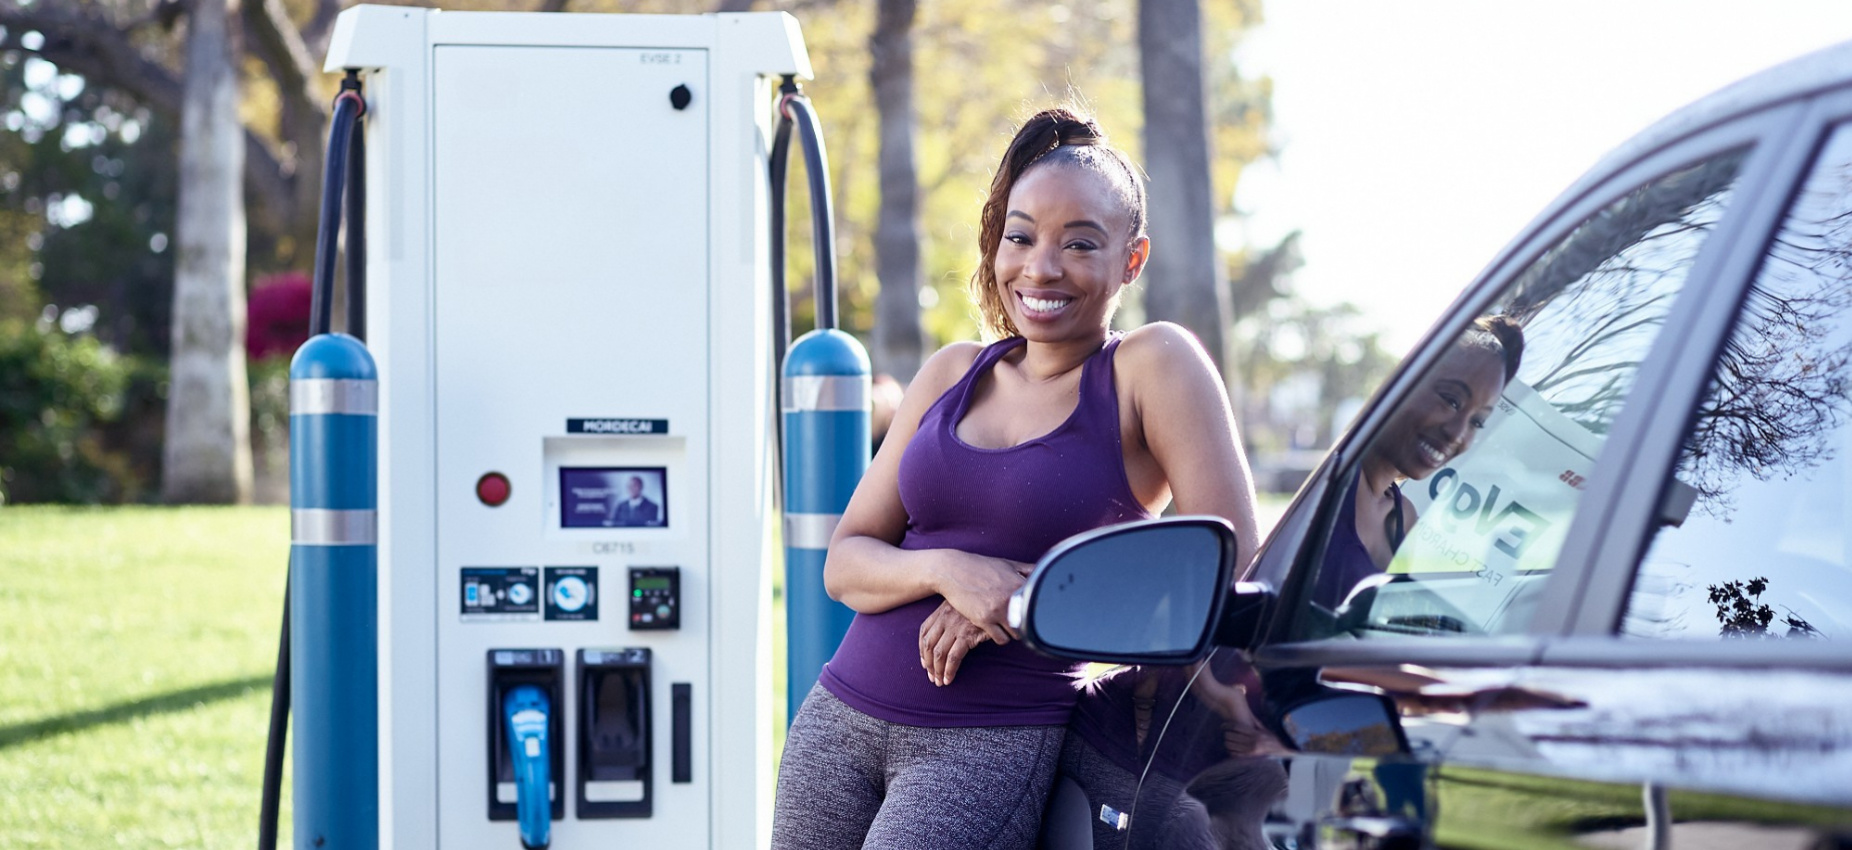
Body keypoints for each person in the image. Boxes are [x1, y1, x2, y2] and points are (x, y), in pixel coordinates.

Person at [770, 106, 1260, 850]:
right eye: (1021, 236)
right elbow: (846, 563)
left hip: (981, 744)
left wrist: (1027, 597)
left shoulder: (1150, 367)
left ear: (1133, 259)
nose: (1040, 268)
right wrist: (951, 571)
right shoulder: (952, 372)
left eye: (1080, 244)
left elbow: (1227, 574)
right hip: (837, 721)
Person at [1312, 315, 1524, 610]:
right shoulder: (1327, 486)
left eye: (1477, 421)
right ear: (1404, 381)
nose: (1457, 433)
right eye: (1451, 401)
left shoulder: (1404, 518)